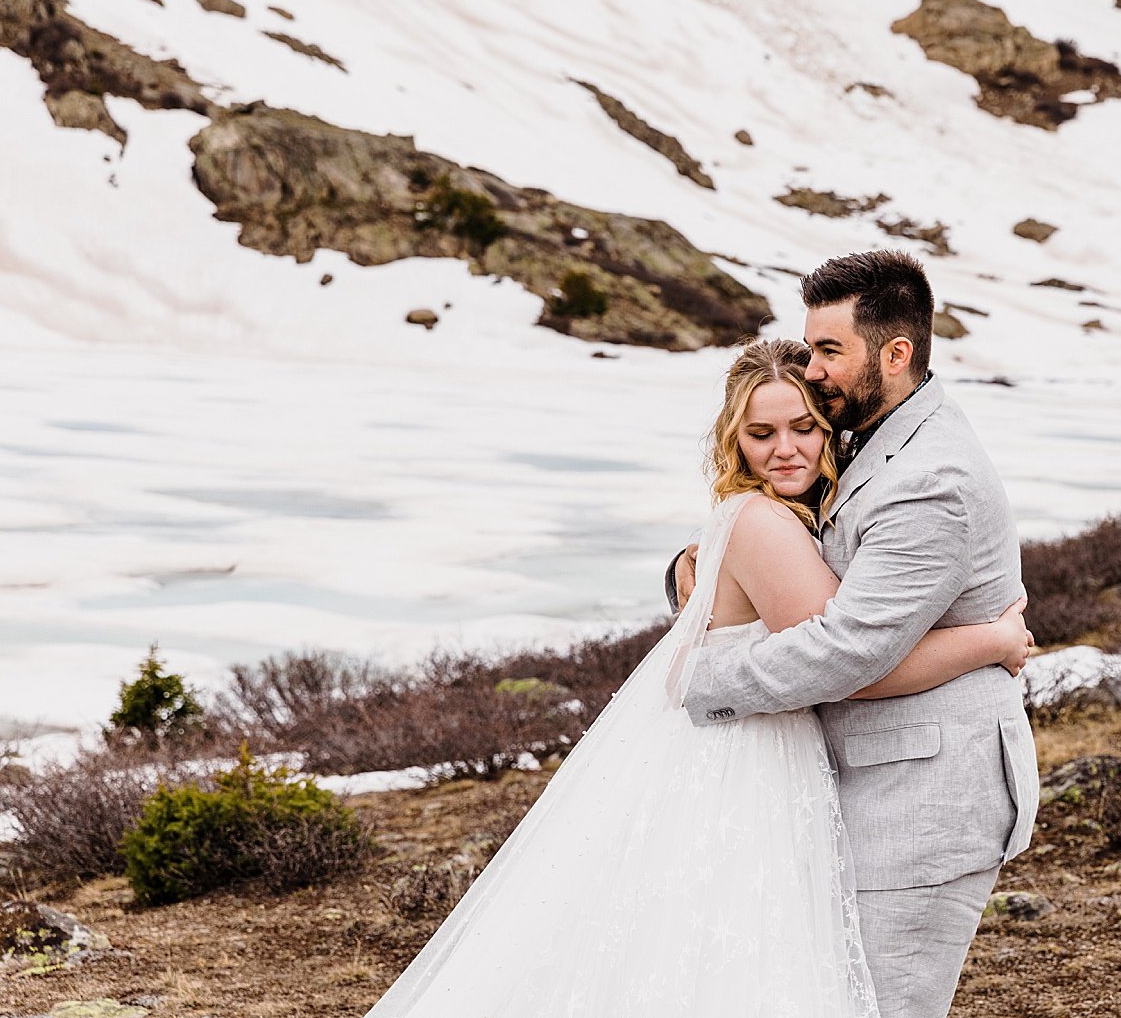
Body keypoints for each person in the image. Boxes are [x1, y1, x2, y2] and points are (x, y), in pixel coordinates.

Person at [362, 339, 1032, 1018]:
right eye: (762, 433)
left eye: (804, 427)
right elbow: (849, 667)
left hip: (759, 752)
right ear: (733, 440)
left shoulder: (773, 511)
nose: (787, 448)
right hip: (746, 763)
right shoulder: (762, 519)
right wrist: (990, 640)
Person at [676, 251, 1038, 1018]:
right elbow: (776, 523)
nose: (813, 367)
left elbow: (850, 652)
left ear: (895, 354)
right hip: (860, 782)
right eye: (811, 346)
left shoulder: (930, 479)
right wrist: (696, 570)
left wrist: (705, 678)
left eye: (829, 349)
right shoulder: (865, 431)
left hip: (923, 799)